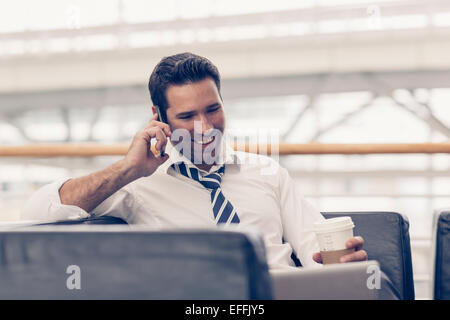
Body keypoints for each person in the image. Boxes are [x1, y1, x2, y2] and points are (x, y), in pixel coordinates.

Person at [22, 52, 369, 273]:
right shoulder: (138, 182)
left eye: (213, 109)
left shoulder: (268, 173)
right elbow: (38, 212)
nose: (205, 127)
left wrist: (339, 264)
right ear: (159, 117)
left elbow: (316, 250)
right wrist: (127, 170)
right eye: (187, 115)